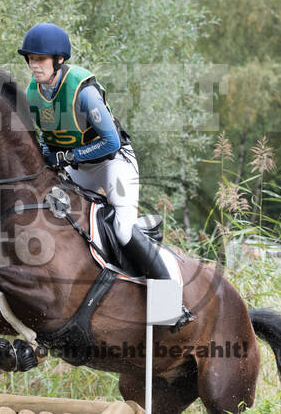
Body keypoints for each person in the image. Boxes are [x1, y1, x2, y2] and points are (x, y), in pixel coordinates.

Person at [18, 22, 195, 332]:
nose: (34, 65)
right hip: (79, 168)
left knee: (123, 229)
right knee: (58, 219)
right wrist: (46, 156)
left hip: (114, 163)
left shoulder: (83, 92)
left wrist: (68, 158)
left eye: (40, 59)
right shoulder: (34, 94)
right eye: (31, 59)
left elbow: (110, 141)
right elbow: (47, 138)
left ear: (59, 60)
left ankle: (171, 304)